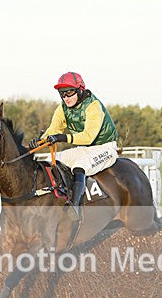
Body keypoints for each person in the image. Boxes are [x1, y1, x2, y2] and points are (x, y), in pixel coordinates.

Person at [29, 72, 119, 220]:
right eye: (62, 94)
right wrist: (39, 140)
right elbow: (54, 130)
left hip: (105, 147)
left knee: (80, 164)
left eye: (69, 92)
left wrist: (61, 137)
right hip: (85, 149)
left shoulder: (93, 106)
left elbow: (89, 137)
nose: (66, 97)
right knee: (52, 159)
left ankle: (75, 206)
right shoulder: (62, 108)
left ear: (80, 89)